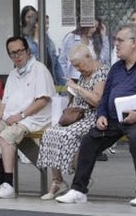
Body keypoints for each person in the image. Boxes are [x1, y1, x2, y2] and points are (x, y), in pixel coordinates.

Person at [56, 24, 136, 207]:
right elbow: (106, 96)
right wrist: (101, 115)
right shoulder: (116, 68)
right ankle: (78, 190)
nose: (116, 44)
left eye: (120, 40)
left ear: (134, 43)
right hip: (116, 118)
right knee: (89, 140)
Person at [0, 36, 55, 199]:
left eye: (20, 51)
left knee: (6, 137)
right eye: (13, 53)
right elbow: (4, 104)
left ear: (28, 51)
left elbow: (43, 100)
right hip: (12, 118)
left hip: (34, 119)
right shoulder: (13, 74)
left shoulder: (39, 70)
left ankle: (8, 184)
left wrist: (21, 115)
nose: (17, 56)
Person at [36, 44, 108, 199]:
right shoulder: (84, 74)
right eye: (74, 66)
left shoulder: (101, 72)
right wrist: (73, 92)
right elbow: (79, 97)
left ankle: (80, 179)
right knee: (49, 133)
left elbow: (97, 100)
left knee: (67, 135)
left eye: (79, 65)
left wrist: (77, 87)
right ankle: (58, 181)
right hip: (77, 115)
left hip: (92, 116)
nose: (78, 69)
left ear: (88, 57)